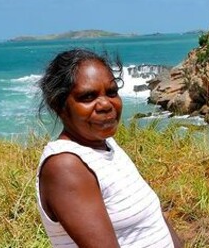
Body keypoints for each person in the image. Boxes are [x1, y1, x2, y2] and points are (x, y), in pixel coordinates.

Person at [36, 49, 182, 247]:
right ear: (59, 105)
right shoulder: (66, 166)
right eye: (88, 96)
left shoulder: (106, 145)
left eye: (112, 92)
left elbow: (153, 221)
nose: (106, 104)